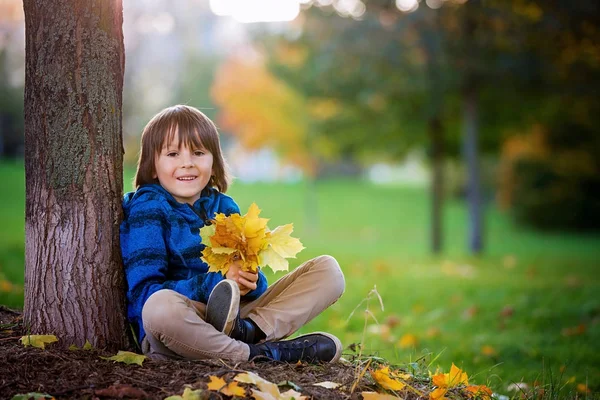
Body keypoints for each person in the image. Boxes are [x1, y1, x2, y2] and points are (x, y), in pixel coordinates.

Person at [120, 104, 345, 363]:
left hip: (237, 321)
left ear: (214, 163)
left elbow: (255, 289)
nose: (187, 163)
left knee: (329, 271)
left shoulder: (225, 207)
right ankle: (261, 354)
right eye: (172, 153)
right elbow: (142, 294)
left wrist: (248, 280)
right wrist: (214, 284)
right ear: (152, 167)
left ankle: (252, 333)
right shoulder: (148, 208)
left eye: (198, 152)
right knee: (158, 306)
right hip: (180, 326)